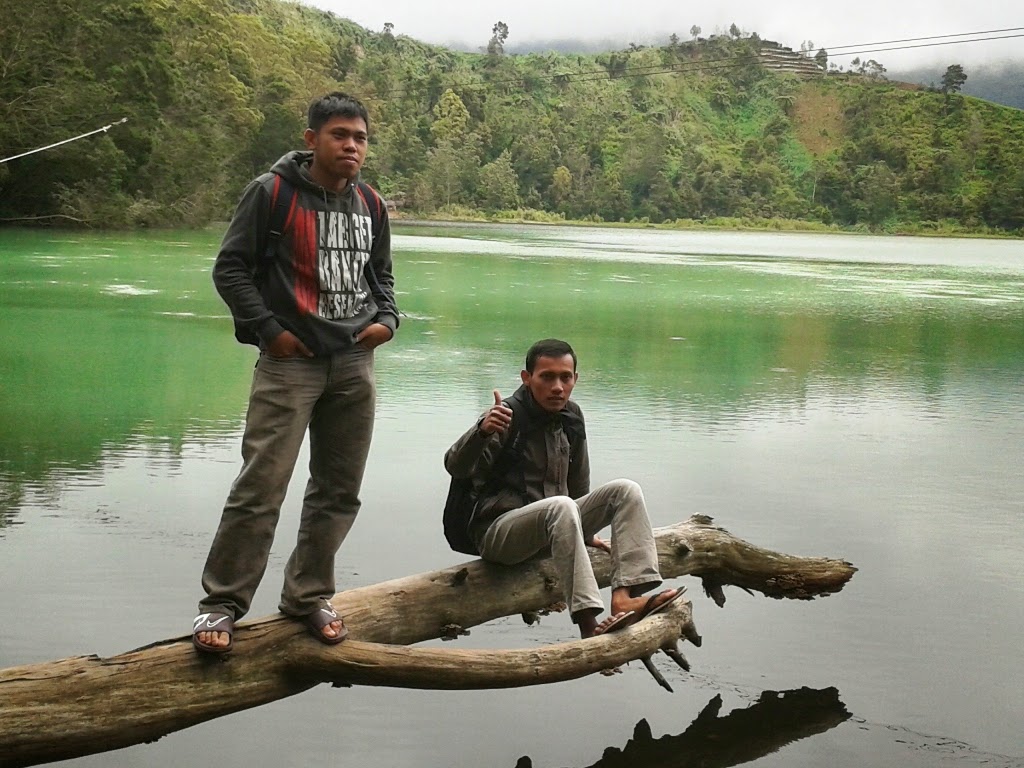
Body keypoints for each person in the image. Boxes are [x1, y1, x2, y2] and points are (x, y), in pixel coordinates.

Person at [192, 92, 398, 654]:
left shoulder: (371, 205)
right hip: (290, 365)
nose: (351, 145)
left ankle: (307, 597)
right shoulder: (272, 193)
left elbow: (381, 277)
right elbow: (230, 269)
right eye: (339, 135)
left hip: (355, 363)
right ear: (312, 140)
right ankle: (221, 606)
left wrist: (388, 320)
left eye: (359, 137)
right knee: (260, 487)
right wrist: (270, 330)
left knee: (338, 489)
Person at [444, 339, 682, 639]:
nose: (557, 386)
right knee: (561, 505)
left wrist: (586, 531)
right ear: (526, 378)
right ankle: (589, 625)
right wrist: (482, 431)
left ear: (575, 379)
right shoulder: (503, 416)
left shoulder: (572, 416)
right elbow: (456, 467)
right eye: (547, 377)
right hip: (499, 536)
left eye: (565, 377)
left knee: (626, 490)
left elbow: (579, 485)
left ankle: (624, 598)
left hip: (557, 525)